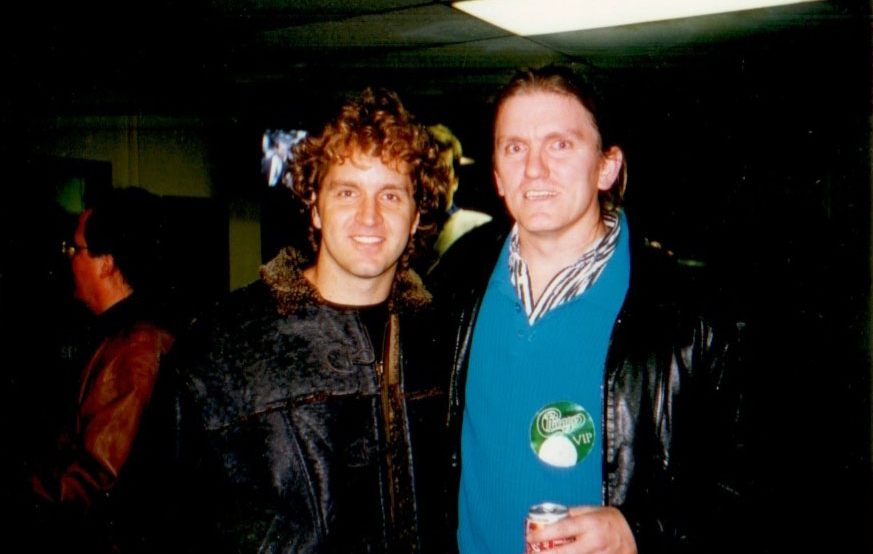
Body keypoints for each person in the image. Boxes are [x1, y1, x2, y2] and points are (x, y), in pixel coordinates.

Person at [430, 66, 748, 553]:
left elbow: (748, 490)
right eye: (515, 148)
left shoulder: (690, 316)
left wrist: (639, 531)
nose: (534, 169)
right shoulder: (457, 280)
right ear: (496, 174)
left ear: (607, 167)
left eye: (560, 144)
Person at [168, 87, 453, 552]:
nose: (370, 217)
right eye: (347, 192)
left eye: (391, 195)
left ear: (417, 214)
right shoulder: (223, 347)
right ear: (315, 207)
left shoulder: (445, 340)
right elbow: (159, 520)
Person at [27, 187, 175, 552]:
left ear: (106, 263)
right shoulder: (111, 336)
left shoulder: (136, 347)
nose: (69, 259)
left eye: (75, 249)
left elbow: (95, 479)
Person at [427, 124, 492, 263]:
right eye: (427, 171)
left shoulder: (477, 228)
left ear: (455, 180)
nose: (433, 183)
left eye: (441, 172)